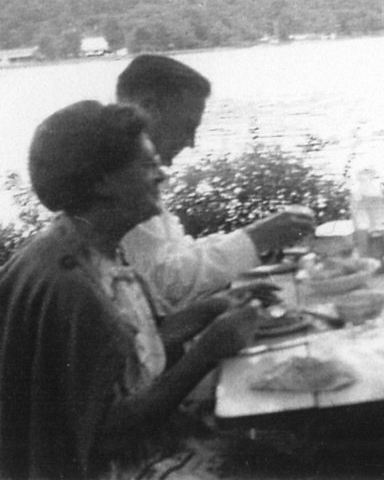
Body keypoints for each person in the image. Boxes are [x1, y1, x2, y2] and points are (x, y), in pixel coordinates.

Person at [0, 101, 263, 478]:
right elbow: (107, 434)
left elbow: (132, 348)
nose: (164, 175)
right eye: (148, 165)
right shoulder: (74, 287)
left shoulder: (86, 244)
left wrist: (216, 306)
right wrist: (206, 352)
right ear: (101, 181)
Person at [116, 54, 315, 310]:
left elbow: (176, 255)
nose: (191, 142)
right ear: (149, 108)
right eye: (188, 127)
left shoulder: (137, 173)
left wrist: (259, 238)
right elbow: (166, 284)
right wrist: (255, 239)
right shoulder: (121, 185)